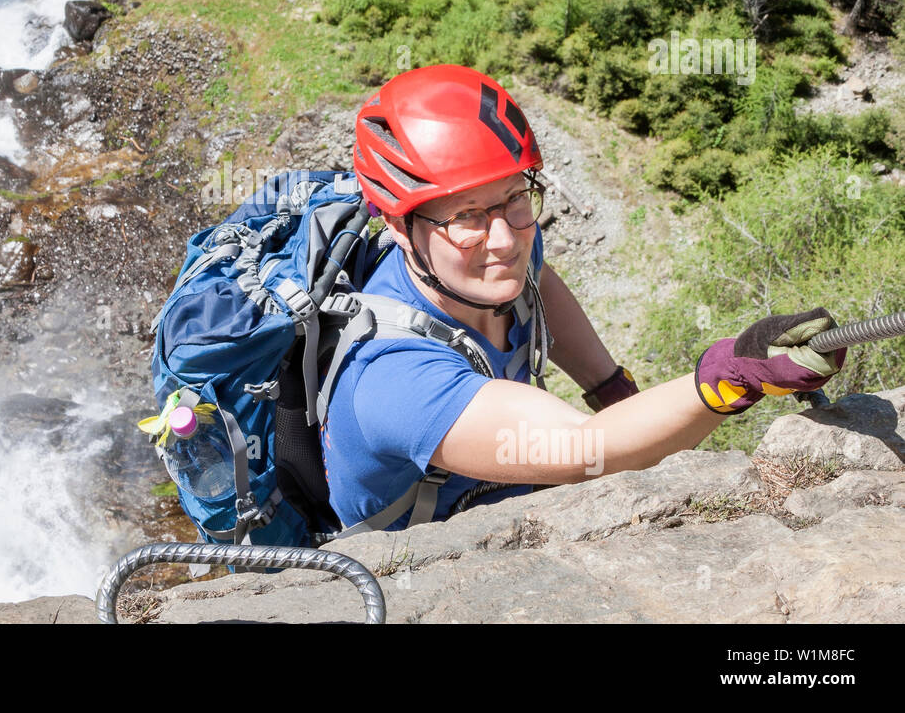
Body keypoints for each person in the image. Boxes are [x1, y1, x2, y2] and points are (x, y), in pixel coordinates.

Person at [321, 64, 847, 533]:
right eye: (467, 217)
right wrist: (732, 375)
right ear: (397, 224)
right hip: (418, 567)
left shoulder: (495, 260)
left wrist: (609, 387)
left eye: (514, 200)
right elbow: (584, 450)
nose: (504, 240)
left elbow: (538, 280)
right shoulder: (390, 376)